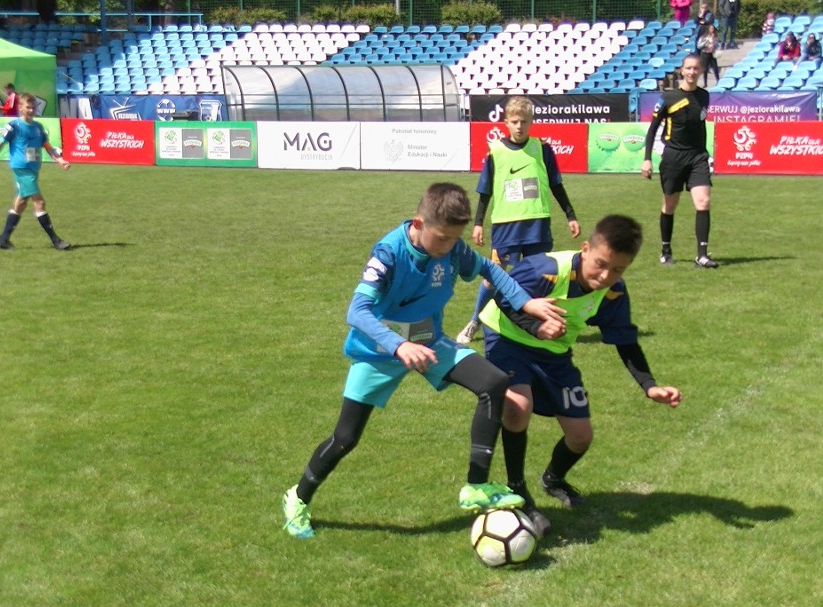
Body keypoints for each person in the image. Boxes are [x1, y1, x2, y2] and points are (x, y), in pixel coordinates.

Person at [281, 182, 567, 539]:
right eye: (443, 238)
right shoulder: (388, 253)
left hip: (427, 342)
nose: (449, 248)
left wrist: (527, 303)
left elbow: (490, 271)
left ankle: (475, 485)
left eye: (454, 239)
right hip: (378, 350)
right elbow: (357, 310)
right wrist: (396, 346)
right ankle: (299, 498)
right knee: (345, 437)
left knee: (494, 382)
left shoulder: (452, 249)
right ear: (418, 223)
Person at [480, 215, 682, 522]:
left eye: (617, 269)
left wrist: (649, 385)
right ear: (585, 249)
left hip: (555, 355)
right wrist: (535, 327)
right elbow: (501, 295)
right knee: (517, 408)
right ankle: (517, 488)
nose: (605, 276)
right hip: (507, 339)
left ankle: (553, 479)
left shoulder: (613, 292)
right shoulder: (546, 270)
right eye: (600, 264)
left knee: (580, 437)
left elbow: (625, 340)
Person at [455, 96, 580, 346]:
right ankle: (475, 322)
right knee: (493, 276)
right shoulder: (496, 152)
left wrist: (570, 215)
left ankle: (539, 324)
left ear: (531, 122)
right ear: (506, 123)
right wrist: (478, 222)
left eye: (524, 121)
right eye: (514, 121)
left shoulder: (542, 150)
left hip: (537, 225)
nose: (519, 126)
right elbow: (485, 190)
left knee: (542, 277)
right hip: (505, 226)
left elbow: (556, 185)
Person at [641, 54, 719, 268]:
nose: (692, 72)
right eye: (688, 68)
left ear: (700, 71)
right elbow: (653, 129)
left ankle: (702, 255)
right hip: (673, 157)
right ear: (682, 71)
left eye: (696, 68)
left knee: (703, 202)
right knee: (669, 205)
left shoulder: (704, 96)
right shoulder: (668, 98)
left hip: (698, 157)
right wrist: (647, 159)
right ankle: (666, 250)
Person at [0, 93, 72, 251]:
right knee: (39, 202)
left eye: (33, 107)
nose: (31, 110)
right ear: (21, 108)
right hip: (22, 169)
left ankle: (3, 239)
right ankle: (56, 240)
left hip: (33, 169)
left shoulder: (38, 127)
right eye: (28, 107)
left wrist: (60, 160)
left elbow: (47, 147)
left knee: (22, 203)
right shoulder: (14, 126)